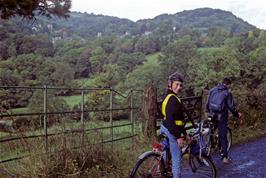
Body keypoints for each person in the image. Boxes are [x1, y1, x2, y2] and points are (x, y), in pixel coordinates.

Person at [160, 72, 189, 178]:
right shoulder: (172, 99)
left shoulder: (168, 97)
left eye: (181, 85)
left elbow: (178, 121)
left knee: (163, 155)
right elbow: (171, 121)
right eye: (176, 84)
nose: (179, 87)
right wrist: (178, 137)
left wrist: (185, 134)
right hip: (171, 131)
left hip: (165, 128)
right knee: (177, 160)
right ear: (170, 84)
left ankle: (161, 171)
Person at [206, 77, 242, 164]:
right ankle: (225, 158)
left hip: (211, 115)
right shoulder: (227, 93)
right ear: (228, 85)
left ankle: (208, 150)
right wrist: (237, 114)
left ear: (221, 82)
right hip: (221, 117)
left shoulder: (212, 90)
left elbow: (207, 103)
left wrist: (208, 112)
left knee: (210, 132)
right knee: (223, 136)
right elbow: (231, 106)